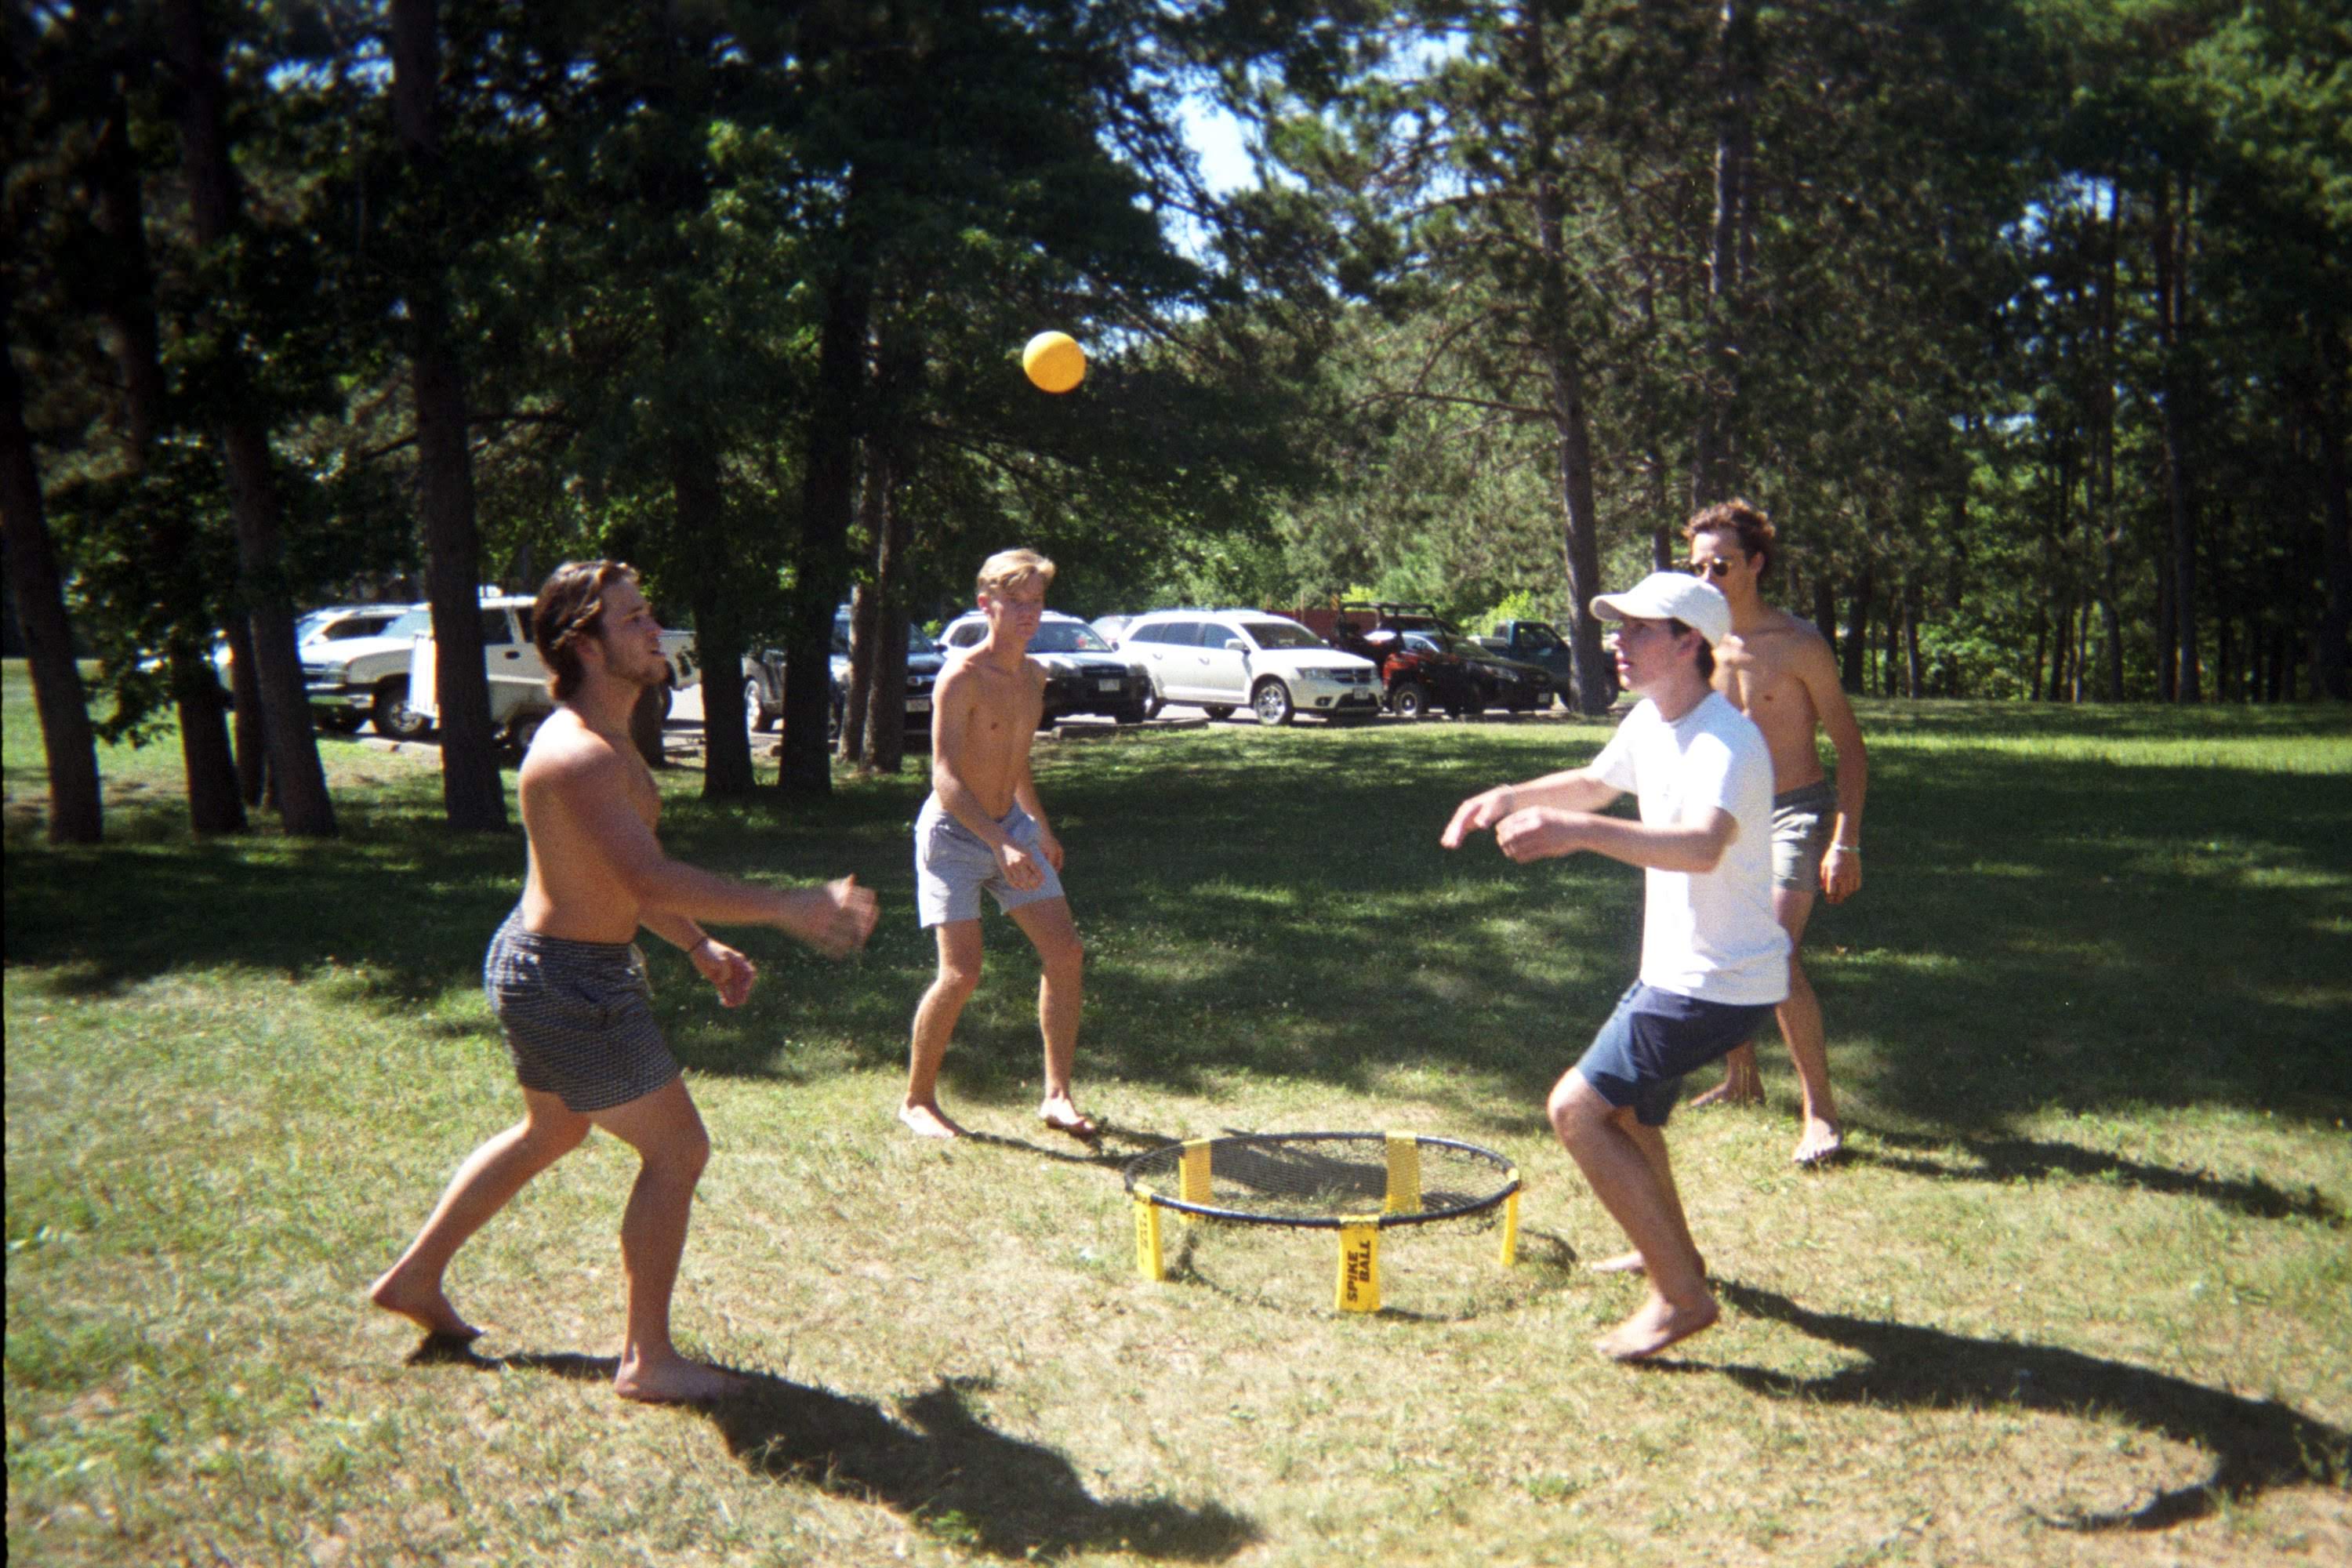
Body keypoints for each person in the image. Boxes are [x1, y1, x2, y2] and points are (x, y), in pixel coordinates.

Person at [370, 561, 879, 1403]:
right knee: (677, 1150)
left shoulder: (605, 742)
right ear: (585, 644)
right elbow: (647, 876)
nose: (654, 631)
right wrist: (788, 905)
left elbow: (621, 881)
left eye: (649, 613)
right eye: (634, 618)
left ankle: (415, 1277)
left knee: (549, 1131)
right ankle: (647, 1359)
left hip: (554, 965)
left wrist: (698, 944)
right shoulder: (581, 754)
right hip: (569, 979)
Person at [1443, 572, 1787, 1361]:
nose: (1618, 642)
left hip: (1715, 981)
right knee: (1628, 1114)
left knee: (1577, 1111)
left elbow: (1702, 846)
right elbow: (1596, 785)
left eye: (1638, 629)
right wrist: (1509, 794)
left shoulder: (1725, 740)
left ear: (1689, 643)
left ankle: (1680, 1297)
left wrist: (1576, 832)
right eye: (1619, 627)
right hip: (1680, 971)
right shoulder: (1651, 720)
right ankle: (1672, 1253)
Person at [1681, 500, 1867, 1166]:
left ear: (1756, 564)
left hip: (1794, 811)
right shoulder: (1695, 643)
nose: (1707, 578)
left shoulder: (1798, 644)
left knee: (1774, 953)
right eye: (1697, 567)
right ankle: (1742, 1079)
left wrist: (1846, 840)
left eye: (1721, 565)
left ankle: (1821, 1114)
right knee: (1725, 942)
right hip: (1724, 815)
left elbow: (1850, 748)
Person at [900, 549, 1095, 1141]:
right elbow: (945, 776)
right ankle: (917, 1101)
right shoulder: (961, 676)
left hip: (1010, 828)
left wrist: (1038, 826)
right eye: (1015, 602)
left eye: (1036, 602)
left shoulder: (1033, 676)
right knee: (961, 973)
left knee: (1065, 953)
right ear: (986, 604)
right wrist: (1000, 844)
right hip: (953, 837)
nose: (1028, 613)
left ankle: (1057, 1096)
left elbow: (1015, 760)